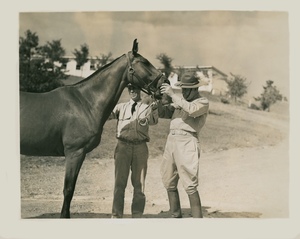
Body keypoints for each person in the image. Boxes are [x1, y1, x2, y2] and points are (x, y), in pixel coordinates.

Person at [157, 72, 209, 218]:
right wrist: (160, 97)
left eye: (187, 89)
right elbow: (163, 112)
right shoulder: (180, 101)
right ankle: (175, 215)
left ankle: (197, 221)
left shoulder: (202, 102)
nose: (184, 92)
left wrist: (173, 94)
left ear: (195, 89)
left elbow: (191, 110)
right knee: (168, 180)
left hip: (187, 141)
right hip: (171, 140)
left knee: (190, 184)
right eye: (183, 89)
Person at [109, 83, 158, 218]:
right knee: (119, 183)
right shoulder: (120, 107)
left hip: (140, 148)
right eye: (130, 88)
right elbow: (105, 114)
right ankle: (117, 214)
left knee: (139, 184)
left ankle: (137, 215)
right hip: (123, 147)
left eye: (135, 88)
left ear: (140, 90)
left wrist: (154, 104)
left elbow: (154, 121)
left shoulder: (147, 108)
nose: (132, 91)